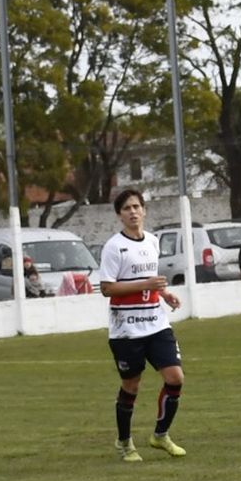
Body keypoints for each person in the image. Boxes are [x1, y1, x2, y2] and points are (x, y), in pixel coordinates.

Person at [97, 188, 186, 462]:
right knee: (131, 386)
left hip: (156, 324)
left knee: (175, 378)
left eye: (136, 206)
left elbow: (150, 280)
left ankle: (160, 435)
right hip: (127, 330)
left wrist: (163, 294)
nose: (133, 212)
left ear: (144, 210)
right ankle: (125, 442)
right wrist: (147, 284)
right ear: (119, 215)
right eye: (127, 208)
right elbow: (107, 288)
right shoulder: (114, 247)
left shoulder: (152, 241)